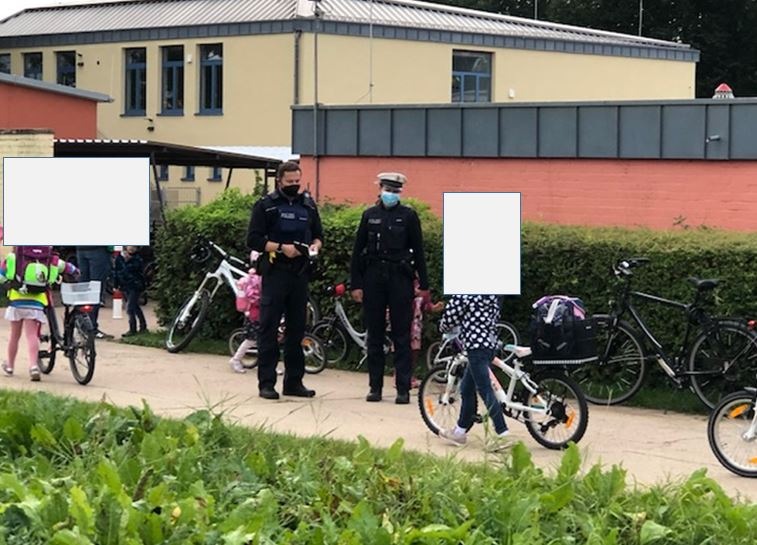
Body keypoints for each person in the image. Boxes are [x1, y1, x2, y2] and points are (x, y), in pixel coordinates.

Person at [350, 172, 429, 404]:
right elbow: (357, 252)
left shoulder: (409, 216)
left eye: (395, 191)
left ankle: (402, 388)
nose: (391, 195)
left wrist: (423, 284)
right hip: (374, 277)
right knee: (374, 334)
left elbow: (419, 251)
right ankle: (375, 387)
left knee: (401, 335)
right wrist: (356, 283)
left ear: (400, 193)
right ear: (380, 189)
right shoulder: (369, 215)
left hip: (399, 278)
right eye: (388, 190)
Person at [246, 160, 323, 400]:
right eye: (290, 182)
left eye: (297, 182)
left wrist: (315, 247)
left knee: (297, 329)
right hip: (276, 271)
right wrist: (281, 247)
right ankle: (267, 383)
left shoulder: (308, 206)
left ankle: (294, 382)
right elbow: (254, 240)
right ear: (279, 181)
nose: (294, 185)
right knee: (269, 329)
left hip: (299, 273)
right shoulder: (266, 206)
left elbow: (319, 235)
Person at [437, 294, 510, 450]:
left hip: (475, 347)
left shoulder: (465, 294)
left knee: (485, 390)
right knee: (466, 388)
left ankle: (502, 433)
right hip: (490, 345)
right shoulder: (491, 294)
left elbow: (450, 317)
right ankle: (460, 431)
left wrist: (443, 327)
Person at [0, 247, 79, 381]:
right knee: (32, 336)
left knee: (15, 336)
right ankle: (33, 366)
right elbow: (65, 267)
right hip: (36, 302)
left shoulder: (13, 257)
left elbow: (1, 277)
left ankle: (10, 365)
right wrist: (75, 271)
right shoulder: (49, 257)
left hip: (17, 301)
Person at [229, 251, 263, 374]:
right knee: (252, 340)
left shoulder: (253, 277)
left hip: (255, 313)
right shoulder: (256, 279)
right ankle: (236, 359)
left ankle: (266, 363)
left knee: (263, 339)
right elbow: (254, 296)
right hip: (255, 314)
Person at [75, 246, 113, 339]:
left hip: (81, 249)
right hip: (98, 249)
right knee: (95, 289)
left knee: (84, 287)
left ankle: (82, 325)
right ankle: (91, 327)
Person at [114, 246, 147, 337]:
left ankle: (132, 328)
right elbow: (116, 272)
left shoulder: (138, 258)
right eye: (130, 245)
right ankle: (143, 325)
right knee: (135, 306)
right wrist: (115, 285)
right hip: (124, 285)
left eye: (134, 246)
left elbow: (136, 268)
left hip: (135, 285)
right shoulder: (119, 258)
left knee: (130, 307)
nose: (132, 248)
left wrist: (128, 261)